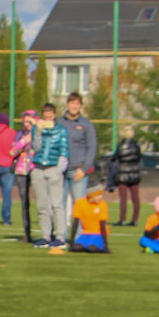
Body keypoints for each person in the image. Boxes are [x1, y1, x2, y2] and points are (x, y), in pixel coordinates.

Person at [30, 103, 70, 248]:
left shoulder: (61, 130)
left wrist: (60, 169)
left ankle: (60, 237)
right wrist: (38, 133)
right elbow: (36, 148)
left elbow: (64, 150)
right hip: (39, 168)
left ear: (54, 115)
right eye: (45, 116)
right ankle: (45, 236)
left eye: (50, 116)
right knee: (42, 205)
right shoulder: (36, 129)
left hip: (53, 168)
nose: (47, 118)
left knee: (57, 204)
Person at [58, 92, 97, 224]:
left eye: (77, 104)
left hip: (78, 171)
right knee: (59, 205)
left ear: (80, 106)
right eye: (72, 103)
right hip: (60, 171)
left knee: (79, 205)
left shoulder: (86, 124)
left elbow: (92, 147)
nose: (74, 106)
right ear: (67, 104)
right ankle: (60, 237)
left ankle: (79, 239)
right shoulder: (59, 122)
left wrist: (84, 169)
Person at [9, 109, 37, 243]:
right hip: (22, 170)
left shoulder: (41, 133)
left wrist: (34, 135)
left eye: (30, 120)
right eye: (25, 121)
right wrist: (24, 141)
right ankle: (27, 233)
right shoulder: (20, 134)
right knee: (25, 203)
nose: (27, 123)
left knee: (45, 202)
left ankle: (50, 234)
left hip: (37, 168)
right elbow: (12, 151)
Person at [109, 125, 142, 226]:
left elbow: (115, 158)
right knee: (135, 198)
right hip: (134, 172)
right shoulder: (136, 146)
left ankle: (122, 219)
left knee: (123, 198)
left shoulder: (121, 146)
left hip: (122, 172)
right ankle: (135, 219)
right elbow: (139, 157)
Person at [68, 182, 110, 253]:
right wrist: (71, 243)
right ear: (91, 195)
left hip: (98, 234)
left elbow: (103, 224)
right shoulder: (80, 203)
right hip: (85, 234)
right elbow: (75, 223)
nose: (101, 197)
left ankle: (99, 245)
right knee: (77, 248)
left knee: (92, 248)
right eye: (98, 195)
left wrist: (105, 244)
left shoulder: (102, 204)